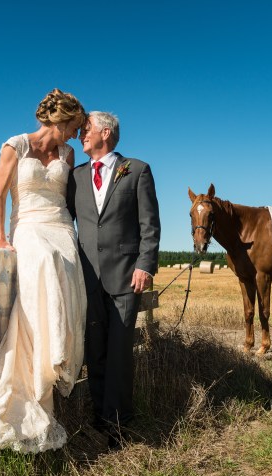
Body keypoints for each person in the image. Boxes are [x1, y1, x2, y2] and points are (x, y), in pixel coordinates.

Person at [0, 89, 87, 453]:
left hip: (61, 226)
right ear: (60, 120)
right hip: (29, 224)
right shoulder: (15, 146)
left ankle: (56, 357)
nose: (76, 134)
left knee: (65, 267)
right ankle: (44, 361)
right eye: (74, 126)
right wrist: (0, 237)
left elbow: (68, 201)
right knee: (44, 260)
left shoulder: (68, 154)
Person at [67, 111, 161, 448]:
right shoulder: (75, 177)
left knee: (120, 352)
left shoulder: (137, 170)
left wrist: (145, 265)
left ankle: (118, 425)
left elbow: (150, 225)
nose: (81, 135)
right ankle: (99, 417)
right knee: (95, 352)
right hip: (88, 277)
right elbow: (65, 220)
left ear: (105, 132)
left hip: (125, 276)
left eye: (86, 129)